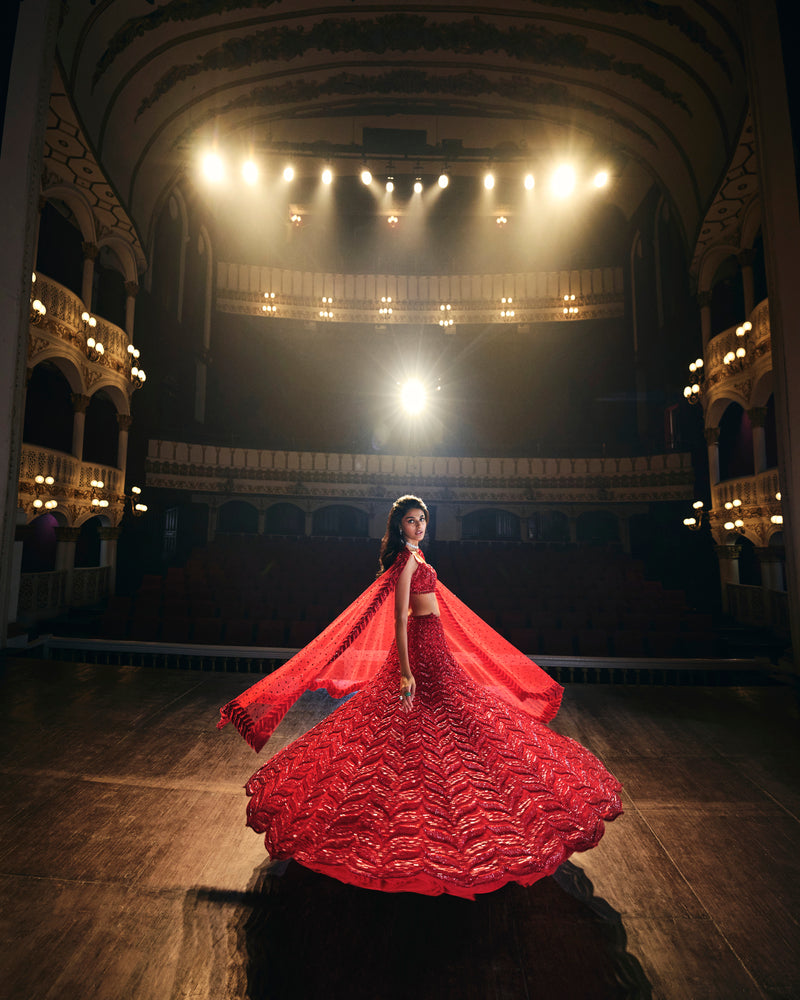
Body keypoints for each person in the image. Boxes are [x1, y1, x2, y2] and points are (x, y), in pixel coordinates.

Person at [219, 495, 622, 899]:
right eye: (411, 521)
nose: (419, 526)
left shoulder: (417, 555)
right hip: (419, 649)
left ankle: (434, 810)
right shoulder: (407, 563)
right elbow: (399, 618)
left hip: (434, 644)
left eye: (423, 519)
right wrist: (407, 671)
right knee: (415, 725)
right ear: (398, 528)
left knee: (452, 721)